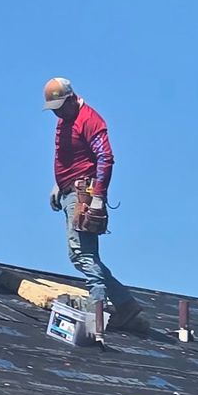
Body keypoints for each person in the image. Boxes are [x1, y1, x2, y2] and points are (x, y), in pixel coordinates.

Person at [43, 77, 147, 332]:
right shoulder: (66, 118)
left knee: (82, 254)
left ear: (71, 99)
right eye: (54, 109)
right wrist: (60, 184)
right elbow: (72, 156)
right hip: (70, 190)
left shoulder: (89, 120)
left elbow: (105, 157)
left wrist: (98, 197)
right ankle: (124, 304)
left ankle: (96, 311)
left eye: (60, 107)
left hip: (84, 194)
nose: (57, 112)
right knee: (82, 254)